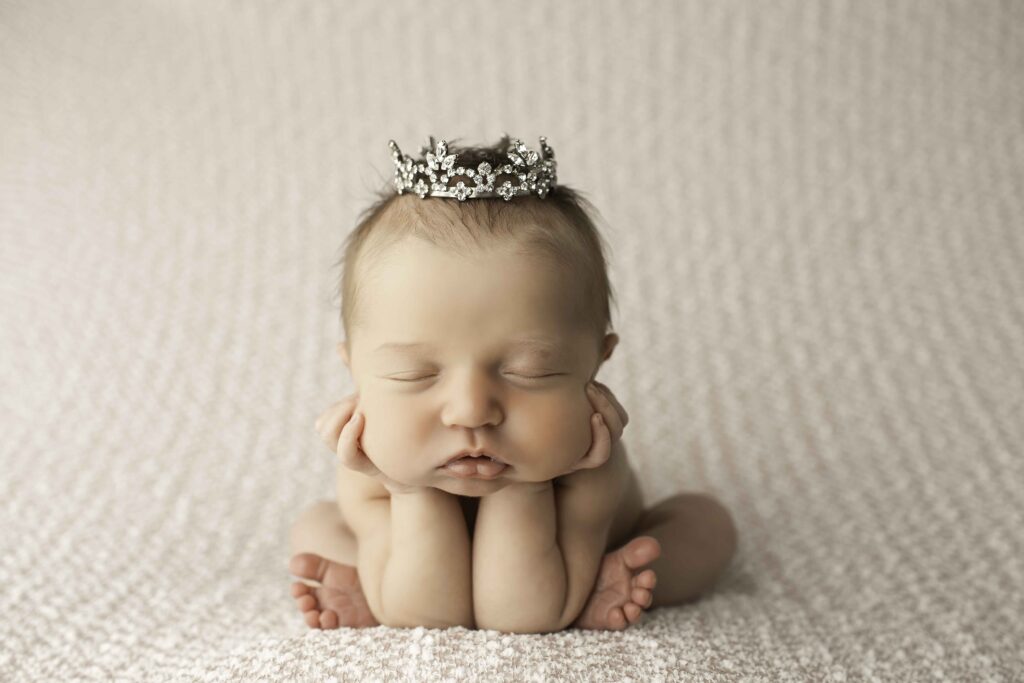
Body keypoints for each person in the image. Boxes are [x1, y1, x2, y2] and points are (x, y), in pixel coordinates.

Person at [288, 135, 738, 633]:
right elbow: (430, 617)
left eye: (531, 372)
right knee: (316, 526)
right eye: (413, 375)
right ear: (354, 370)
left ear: (596, 364)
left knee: (704, 521)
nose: (470, 410)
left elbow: (521, 615)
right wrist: (406, 490)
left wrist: (531, 484)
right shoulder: (369, 467)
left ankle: (612, 580)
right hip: (414, 558)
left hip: (569, 563)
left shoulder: (589, 463)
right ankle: (372, 575)